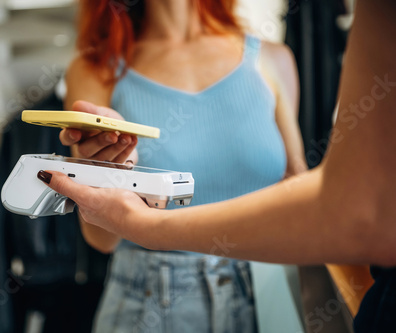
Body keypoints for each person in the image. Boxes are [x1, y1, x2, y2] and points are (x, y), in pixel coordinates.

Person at [38, 0, 396, 331]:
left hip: (271, 292)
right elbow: (100, 237)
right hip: (152, 301)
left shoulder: (270, 59)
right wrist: (113, 173)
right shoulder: (96, 68)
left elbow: (303, 187)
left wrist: (150, 224)